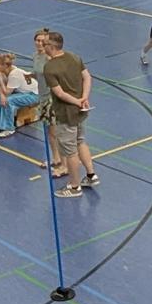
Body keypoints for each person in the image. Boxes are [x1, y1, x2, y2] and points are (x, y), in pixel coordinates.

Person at [40, 32, 98, 196]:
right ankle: (91, 175)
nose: (43, 47)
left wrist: (76, 101)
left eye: (45, 44)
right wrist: (84, 98)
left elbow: (59, 93)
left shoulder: (49, 67)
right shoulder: (74, 57)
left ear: (51, 47)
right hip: (81, 111)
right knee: (81, 141)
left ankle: (74, 186)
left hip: (66, 113)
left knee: (70, 151)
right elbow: (87, 77)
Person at [0, 52, 38, 134]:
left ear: (5, 66)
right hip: (24, 93)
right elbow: (3, 87)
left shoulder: (14, 74)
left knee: (8, 101)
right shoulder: (8, 70)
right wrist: (2, 95)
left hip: (34, 95)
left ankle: (9, 128)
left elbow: (7, 92)